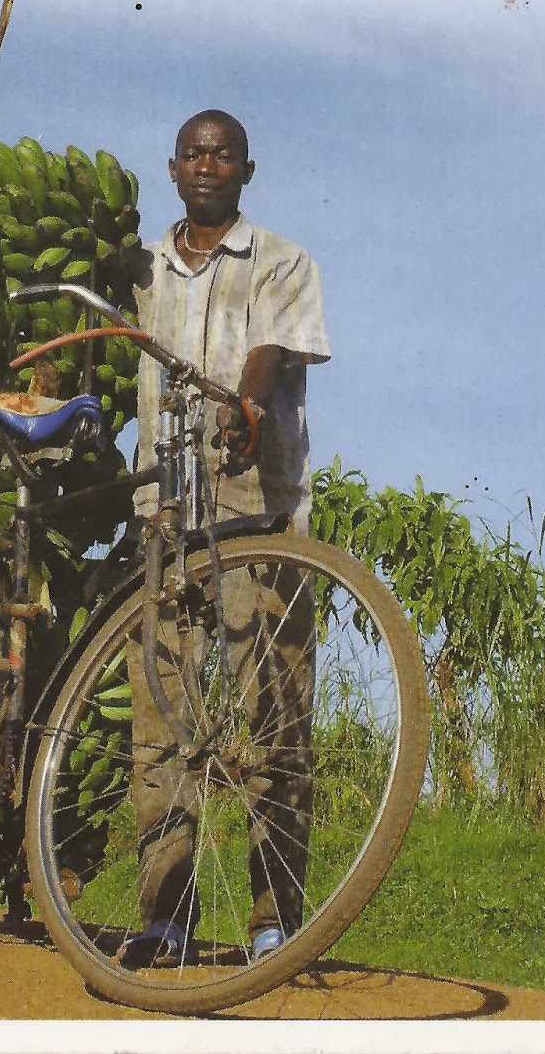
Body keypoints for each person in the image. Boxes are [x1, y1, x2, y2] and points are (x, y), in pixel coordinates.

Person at [122, 109, 330, 968]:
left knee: (272, 710)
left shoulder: (282, 260)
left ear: (248, 170)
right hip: (165, 515)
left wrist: (244, 407)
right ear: (173, 169)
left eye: (225, 155)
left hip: (260, 509)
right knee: (161, 713)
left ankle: (273, 913)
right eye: (194, 154)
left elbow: (273, 352)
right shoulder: (140, 271)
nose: (209, 165)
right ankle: (165, 910)